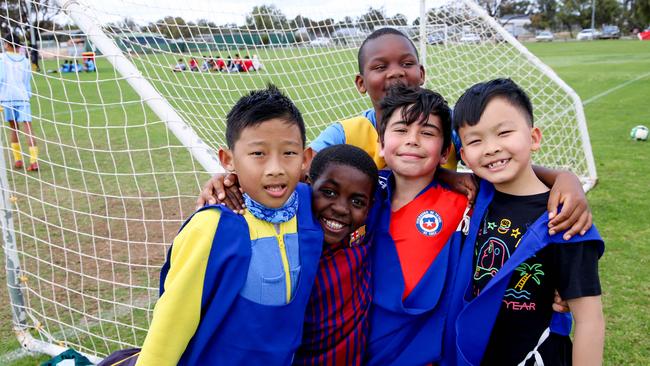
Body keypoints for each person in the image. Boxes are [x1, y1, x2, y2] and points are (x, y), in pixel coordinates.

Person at [198, 27, 593, 241]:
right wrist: (229, 179)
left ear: (422, 73)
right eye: (379, 66)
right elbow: (291, 169)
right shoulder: (346, 132)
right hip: (367, 252)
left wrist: (566, 179)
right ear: (360, 81)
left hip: (446, 249)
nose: (394, 73)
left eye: (406, 63)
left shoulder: (446, 122)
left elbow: (501, 163)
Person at [135, 85, 323, 365]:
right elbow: (169, 329)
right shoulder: (211, 228)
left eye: (289, 153)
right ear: (227, 159)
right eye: (258, 154)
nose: (275, 168)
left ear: (306, 159)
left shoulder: (312, 208)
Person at [447, 78, 604, 366]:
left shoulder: (566, 218)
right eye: (476, 140)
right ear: (464, 156)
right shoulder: (477, 195)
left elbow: (589, 320)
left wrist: (567, 180)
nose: (491, 148)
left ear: (533, 138)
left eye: (504, 132)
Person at [365, 85, 469, 365]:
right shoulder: (359, 200)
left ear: (445, 150)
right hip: (359, 348)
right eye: (401, 130)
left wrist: (565, 181)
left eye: (427, 133)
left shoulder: (464, 204)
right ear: (380, 144)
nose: (413, 140)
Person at [294, 144, 378, 366]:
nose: (341, 208)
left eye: (357, 202)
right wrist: (230, 182)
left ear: (370, 207)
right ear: (308, 183)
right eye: (329, 193)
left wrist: (449, 176)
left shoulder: (365, 238)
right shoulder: (287, 234)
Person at [1, 31, 38, 171]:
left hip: (7, 98)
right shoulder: (25, 60)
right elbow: (27, 81)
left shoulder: (2, 58)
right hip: (23, 98)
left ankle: (18, 160)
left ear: (8, 44)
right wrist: (28, 96)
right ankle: (33, 161)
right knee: (28, 129)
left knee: (14, 129)